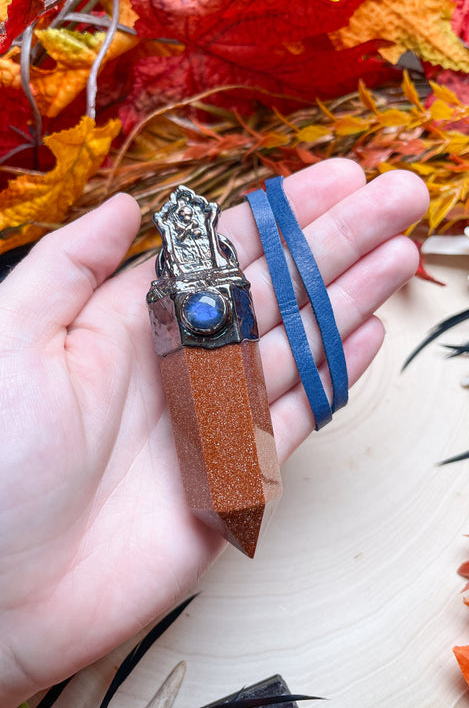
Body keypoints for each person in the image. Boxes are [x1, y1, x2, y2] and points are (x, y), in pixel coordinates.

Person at [0, 159, 428, 706]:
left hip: (217, 320)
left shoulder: (207, 279)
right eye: (181, 231)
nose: (190, 237)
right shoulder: (170, 294)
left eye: (193, 227)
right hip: (194, 324)